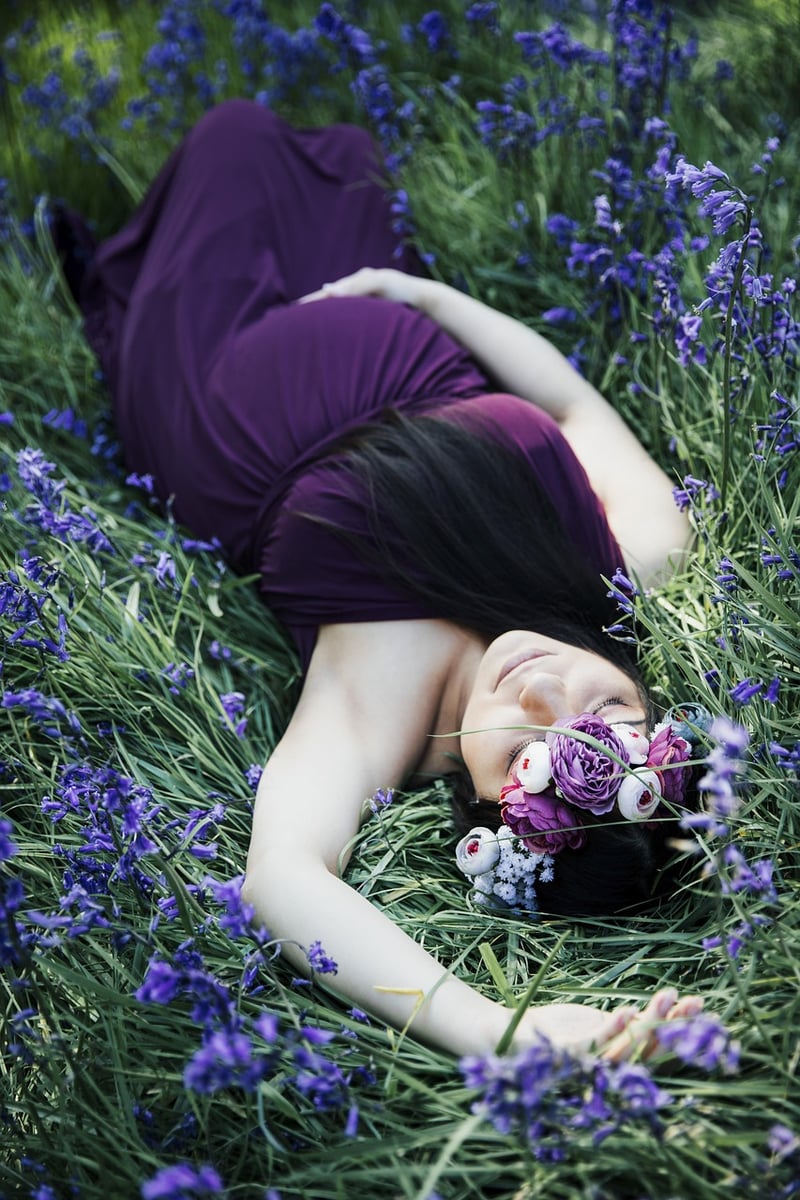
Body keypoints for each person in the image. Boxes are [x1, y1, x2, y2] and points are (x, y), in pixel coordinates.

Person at [62, 98, 703, 1060]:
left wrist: (496, 1028)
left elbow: (283, 873)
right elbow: (570, 401)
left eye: (529, 743)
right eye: (601, 700)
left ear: (482, 805)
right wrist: (430, 300)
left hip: (226, 401)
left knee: (232, 133)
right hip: (388, 319)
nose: (540, 682)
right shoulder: (633, 561)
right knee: (342, 152)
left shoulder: (383, 704)